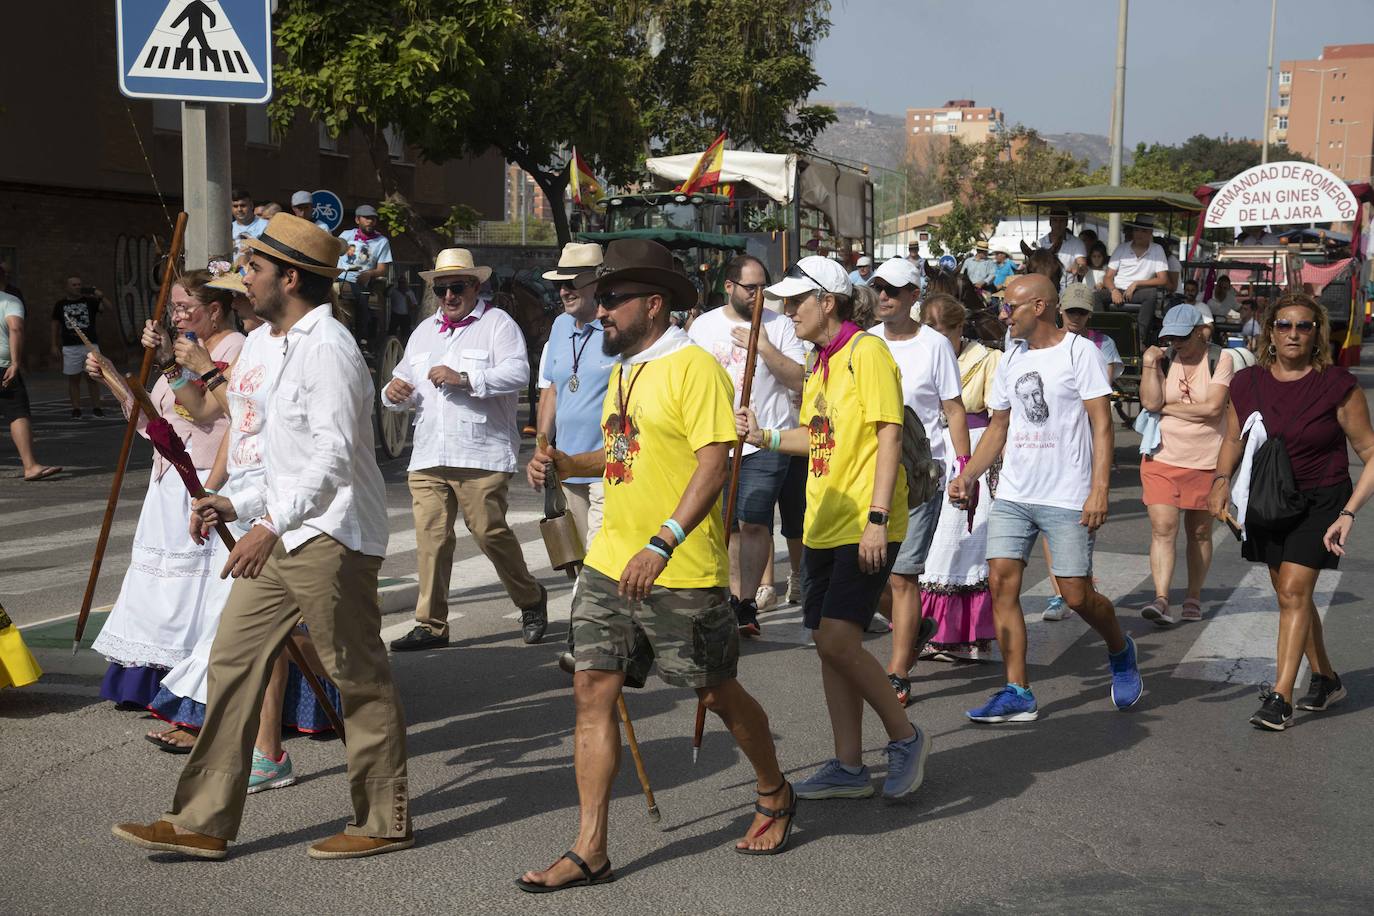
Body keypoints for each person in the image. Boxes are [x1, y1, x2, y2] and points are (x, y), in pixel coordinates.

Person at [113, 212, 411, 861]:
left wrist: (269, 523)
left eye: (254, 269)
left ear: (291, 276)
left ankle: (383, 818)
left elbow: (331, 458)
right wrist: (232, 499)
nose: (244, 280)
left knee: (357, 675)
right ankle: (202, 819)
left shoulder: (328, 347)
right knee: (232, 660)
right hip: (279, 527)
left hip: (332, 535)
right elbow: (271, 454)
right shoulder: (270, 345)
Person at [520, 239, 797, 891]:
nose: (601, 309)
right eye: (600, 298)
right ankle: (591, 848)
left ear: (653, 302)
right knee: (592, 691)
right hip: (608, 563)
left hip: (677, 567)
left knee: (715, 691)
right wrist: (566, 463)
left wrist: (665, 539)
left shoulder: (693, 367)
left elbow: (715, 460)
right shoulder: (625, 369)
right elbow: (622, 457)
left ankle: (775, 791)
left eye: (612, 298)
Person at [734, 255, 929, 802]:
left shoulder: (867, 352)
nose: (789, 311)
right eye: (787, 301)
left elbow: (889, 434)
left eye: (798, 301)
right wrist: (767, 437)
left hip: (863, 525)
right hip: (823, 525)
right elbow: (817, 439)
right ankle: (847, 765)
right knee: (827, 645)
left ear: (829, 302)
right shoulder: (821, 362)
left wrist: (876, 519)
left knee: (839, 639)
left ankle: (906, 736)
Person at [140, 267, 343, 770]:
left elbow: (265, 422)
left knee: (321, 644)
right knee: (246, 642)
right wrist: (170, 362)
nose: (245, 291)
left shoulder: (310, 344)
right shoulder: (258, 345)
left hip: (307, 515)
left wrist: (207, 367)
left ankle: (353, 716)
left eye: (248, 282)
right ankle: (251, 757)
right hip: (262, 505)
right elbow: (215, 413)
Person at [949, 274, 1142, 723]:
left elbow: (1102, 425)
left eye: (1009, 307)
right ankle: (1017, 690)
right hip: (1015, 492)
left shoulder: (1081, 353)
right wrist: (970, 475)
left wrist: (1100, 489)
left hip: (1067, 493)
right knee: (1001, 583)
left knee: (1077, 596)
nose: (1003, 315)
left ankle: (1119, 647)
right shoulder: (1011, 359)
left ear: (1039, 307)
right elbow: (998, 426)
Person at [1209, 292, 1373, 730]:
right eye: (1285, 325)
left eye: (1304, 325)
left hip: (1322, 500)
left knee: (1295, 591)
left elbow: (1371, 451)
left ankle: (1281, 695)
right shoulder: (1247, 384)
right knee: (1289, 595)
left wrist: (1349, 512)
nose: (1294, 333)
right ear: (1271, 333)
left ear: (1317, 332)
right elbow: (1232, 439)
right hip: (1268, 498)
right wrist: (1220, 481)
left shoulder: (1338, 385)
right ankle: (1326, 677)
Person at [84, 272, 244, 710]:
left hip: (205, 477)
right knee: (156, 585)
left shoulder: (232, 348)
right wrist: (114, 378)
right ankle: (143, 679)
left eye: (183, 307)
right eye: (172, 307)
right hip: (166, 477)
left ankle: (187, 683)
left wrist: (176, 364)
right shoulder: (185, 352)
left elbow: (202, 412)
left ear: (214, 311)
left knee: (189, 588)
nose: (174, 316)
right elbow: (154, 425)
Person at [384, 248, 548, 651]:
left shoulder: (498, 325)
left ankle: (530, 598)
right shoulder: (423, 332)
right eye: (441, 289)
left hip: (481, 452)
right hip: (428, 455)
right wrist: (393, 391)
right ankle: (431, 624)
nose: (448, 296)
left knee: (490, 533)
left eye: (457, 287)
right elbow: (400, 385)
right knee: (432, 541)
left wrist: (465, 377)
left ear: (476, 286)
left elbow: (517, 373)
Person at [868, 258, 969, 704]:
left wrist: (965, 469)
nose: (884, 296)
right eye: (878, 288)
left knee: (904, 577)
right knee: (866, 578)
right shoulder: (865, 343)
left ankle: (897, 670)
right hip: (867, 473)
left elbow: (954, 410)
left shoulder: (934, 346)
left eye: (893, 289)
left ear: (914, 295)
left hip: (920, 473)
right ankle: (916, 630)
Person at [688, 255, 805, 636]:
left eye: (762, 288)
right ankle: (728, 597)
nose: (757, 295)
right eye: (750, 288)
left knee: (753, 520)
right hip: (716, 440)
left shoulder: (781, 326)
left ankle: (746, 602)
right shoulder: (703, 327)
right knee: (726, 524)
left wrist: (765, 347)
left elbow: (800, 382)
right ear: (730, 287)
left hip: (766, 439)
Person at [1137, 304, 1233, 626]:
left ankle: (1193, 595)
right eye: (1170, 337)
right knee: (1163, 527)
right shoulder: (1162, 358)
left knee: (1200, 531)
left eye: (1182, 337)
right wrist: (1150, 364)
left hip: (1206, 460)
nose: (1175, 343)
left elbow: (1213, 410)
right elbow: (1150, 402)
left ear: (1200, 332)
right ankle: (1161, 598)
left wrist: (1168, 408)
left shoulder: (1221, 358)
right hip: (1162, 456)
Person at [918, 294, 1000, 662]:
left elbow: (998, 419)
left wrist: (980, 468)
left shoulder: (986, 360)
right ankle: (926, 628)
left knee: (961, 541)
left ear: (958, 329)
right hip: (930, 449)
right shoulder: (921, 353)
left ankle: (963, 634)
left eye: (942, 331)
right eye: (928, 329)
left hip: (970, 451)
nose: (934, 337)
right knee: (931, 542)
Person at [529, 242, 610, 546]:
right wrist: (542, 446)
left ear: (598, 282)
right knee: (575, 557)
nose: (564, 291)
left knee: (600, 560)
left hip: (608, 468)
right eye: (560, 283)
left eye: (573, 282)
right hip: (567, 468)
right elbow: (553, 389)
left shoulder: (617, 327)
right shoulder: (561, 325)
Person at [2, 286, 61, 480]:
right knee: (17, 412)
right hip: (3, 367)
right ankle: (30, 466)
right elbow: (15, 328)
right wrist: (16, 362)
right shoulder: (9, 301)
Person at [1098, 217, 1170, 347]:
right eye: (1137, 230)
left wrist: (1137, 283)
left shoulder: (1157, 249)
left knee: (1152, 294)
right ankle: (1102, 334)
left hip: (1140, 292)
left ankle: (1139, 339)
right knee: (1094, 296)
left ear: (1150, 233)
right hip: (1118, 289)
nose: (1139, 234)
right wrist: (1113, 290)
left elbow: (1163, 279)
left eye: (1143, 231)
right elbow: (1108, 277)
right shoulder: (1121, 248)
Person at [51, 276, 109, 419]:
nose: (77, 287)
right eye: (74, 285)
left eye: (79, 284)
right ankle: (76, 408)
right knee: (73, 379)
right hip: (70, 346)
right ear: (67, 287)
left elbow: (107, 308)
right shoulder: (60, 304)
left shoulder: (89, 301)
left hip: (90, 345)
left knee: (93, 377)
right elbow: (55, 324)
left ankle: (97, 407)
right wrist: (53, 344)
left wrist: (100, 297)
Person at [336, 204, 393, 341]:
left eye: (373, 218)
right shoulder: (346, 235)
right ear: (357, 220)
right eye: (366, 218)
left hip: (363, 281)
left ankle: (362, 338)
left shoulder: (382, 241)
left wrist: (369, 274)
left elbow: (383, 269)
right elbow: (333, 254)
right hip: (341, 277)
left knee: (363, 299)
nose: (370, 221)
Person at [1060, 284, 1124, 383]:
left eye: (1082, 311)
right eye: (1071, 310)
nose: (1076, 317)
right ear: (1060, 308)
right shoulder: (1045, 341)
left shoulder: (1104, 343)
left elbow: (1105, 384)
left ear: (1090, 313)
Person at [1037, 209, 1087, 284]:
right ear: (1050, 222)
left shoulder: (1077, 243)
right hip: (1046, 287)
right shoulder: (1040, 243)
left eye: (1061, 221)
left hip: (1069, 290)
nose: (1058, 224)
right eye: (1055, 220)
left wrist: (1079, 267)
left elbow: (1082, 263)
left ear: (1066, 222)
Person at [229, 189, 268, 258]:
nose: (239, 209)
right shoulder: (228, 228)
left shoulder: (266, 226)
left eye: (243, 205)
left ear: (251, 205)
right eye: (235, 206)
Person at [388, 273, 418, 342]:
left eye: (403, 282)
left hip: (405, 315)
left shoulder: (410, 292)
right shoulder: (394, 291)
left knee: (405, 334)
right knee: (392, 333)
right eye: (400, 282)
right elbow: (385, 294)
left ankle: (404, 347)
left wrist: (409, 302)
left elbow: (415, 304)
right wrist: (391, 285)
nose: (402, 284)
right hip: (395, 314)